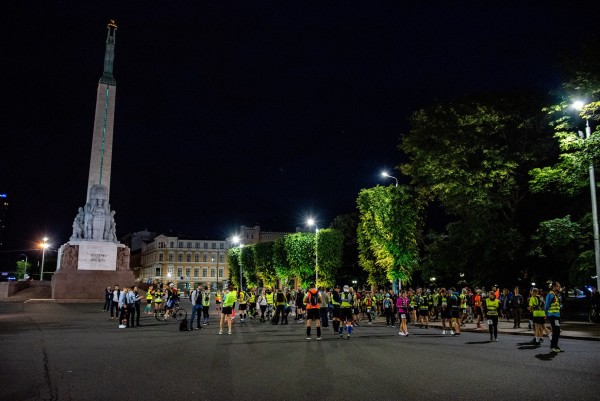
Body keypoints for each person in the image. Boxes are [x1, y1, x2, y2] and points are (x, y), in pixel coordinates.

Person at [545, 282, 563, 352]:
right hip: (553, 315)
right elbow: (547, 305)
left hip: (557, 315)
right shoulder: (550, 294)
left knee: (557, 331)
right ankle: (553, 347)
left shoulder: (556, 295)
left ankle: (555, 346)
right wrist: (545, 314)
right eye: (558, 286)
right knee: (556, 330)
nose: (559, 287)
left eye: (559, 286)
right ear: (554, 287)